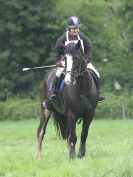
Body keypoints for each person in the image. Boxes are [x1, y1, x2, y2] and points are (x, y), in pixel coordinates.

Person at [49, 16, 105, 102]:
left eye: (77, 28)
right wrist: (58, 61)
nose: (75, 30)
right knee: (58, 74)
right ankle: (54, 92)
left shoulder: (82, 36)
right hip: (67, 62)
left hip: (82, 62)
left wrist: (87, 59)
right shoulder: (63, 38)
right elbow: (57, 50)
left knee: (97, 74)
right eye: (73, 28)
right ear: (69, 29)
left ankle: (98, 93)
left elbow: (89, 47)